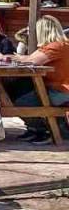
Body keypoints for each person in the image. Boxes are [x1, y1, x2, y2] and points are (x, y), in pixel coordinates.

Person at [7, 15, 69, 144]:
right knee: (19, 88)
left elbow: (31, 60)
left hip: (62, 91)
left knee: (21, 101)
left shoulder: (56, 46)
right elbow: (29, 58)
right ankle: (36, 128)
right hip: (58, 89)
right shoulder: (58, 45)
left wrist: (10, 57)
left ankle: (44, 130)